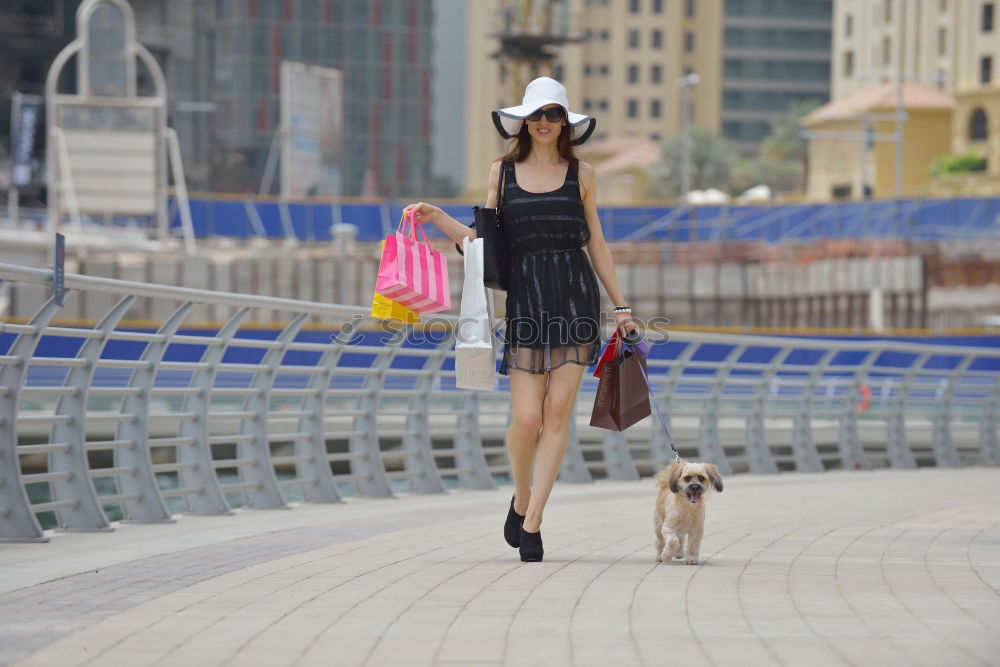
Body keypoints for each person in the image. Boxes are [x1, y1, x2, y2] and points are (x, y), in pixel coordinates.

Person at [404, 77, 636, 562]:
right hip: (527, 299)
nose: (545, 123)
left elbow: (597, 243)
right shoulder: (502, 173)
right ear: (524, 122)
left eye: (553, 115)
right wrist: (436, 215)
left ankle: (533, 523)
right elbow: (482, 240)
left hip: (575, 296)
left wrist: (621, 307)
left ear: (566, 122)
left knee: (556, 413)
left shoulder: (583, 173)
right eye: (537, 115)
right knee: (527, 419)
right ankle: (521, 496)